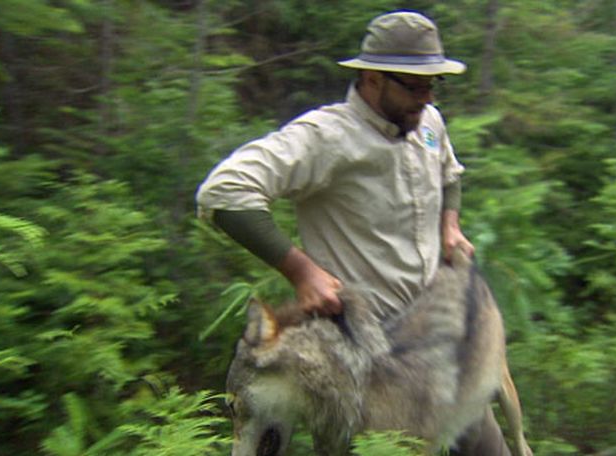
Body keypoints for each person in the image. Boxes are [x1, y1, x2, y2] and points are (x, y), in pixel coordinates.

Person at [196, 10, 510, 455]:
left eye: (432, 84)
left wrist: (450, 224)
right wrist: (302, 273)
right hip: (369, 358)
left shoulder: (428, 123)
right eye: (412, 84)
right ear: (370, 77)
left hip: (437, 342)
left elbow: (449, 171)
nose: (425, 96)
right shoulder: (327, 137)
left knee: (487, 448)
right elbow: (224, 191)